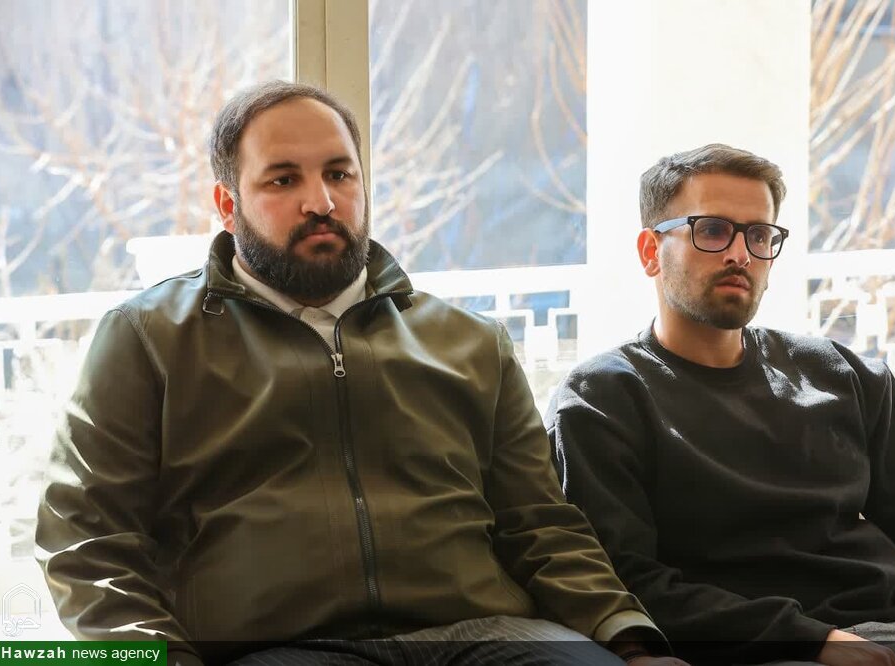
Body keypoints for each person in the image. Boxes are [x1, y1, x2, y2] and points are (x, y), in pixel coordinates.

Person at [35, 81, 684, 666]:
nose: (321, 201)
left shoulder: (468, 343)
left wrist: (628, 638)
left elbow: (540, 524)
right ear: (228, 205)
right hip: (272, 648)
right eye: (283, 180)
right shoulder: (147, 339)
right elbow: (86, 540)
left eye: (339, 174)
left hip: (486, 635)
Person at [545, 143, 895, 665]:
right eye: (713, 230)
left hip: (893, 638)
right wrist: (811, 640)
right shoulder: (601, 399)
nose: (741, 254)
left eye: (759, 236)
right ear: (651, 251)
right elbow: (626, 580)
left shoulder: (840, 373)